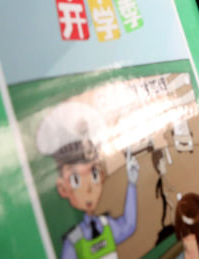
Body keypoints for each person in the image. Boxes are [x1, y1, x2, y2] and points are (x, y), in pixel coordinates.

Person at [34, 102, 140, 259]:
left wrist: (132, 183)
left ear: (102, 176)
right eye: (76, 180)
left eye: (94, 174)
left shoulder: (106, 225)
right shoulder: (74, 241)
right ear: (63, 188)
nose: (89, 188)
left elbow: (128, 226)